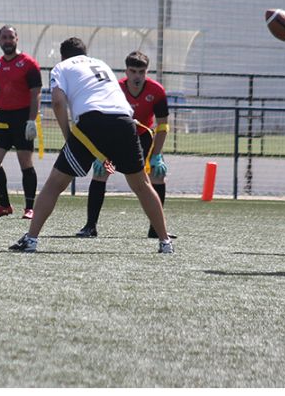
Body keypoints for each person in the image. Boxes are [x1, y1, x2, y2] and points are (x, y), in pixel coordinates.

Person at [9, 37, 173, 253]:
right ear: (85, 53)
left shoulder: (61, 67)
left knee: (55, 184)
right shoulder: (101, 63)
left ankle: (31, 239)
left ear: (63, 55)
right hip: (125, 122)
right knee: (142, 185)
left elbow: (58, 102)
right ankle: (165, 242)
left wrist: (68, 136)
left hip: (92, 121)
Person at [77, 50, 172, 239]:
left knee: (157, 175)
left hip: (142, 140)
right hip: (115, 139)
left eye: (141, 71)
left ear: (147, 72)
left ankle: (155, 229)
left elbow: (163, 125)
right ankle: (90, 226)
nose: (137, 76)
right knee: (102, 171)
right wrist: (100, 154)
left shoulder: (157, 91)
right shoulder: (114, 88)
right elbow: (102, 119)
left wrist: (156, 156)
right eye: (133, 71)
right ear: (126, 71)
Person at [0, 25, 42, 219]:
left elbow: (36, 94)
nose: (8, 40)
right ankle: (4, 205)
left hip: (23, 119)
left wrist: (31, 121)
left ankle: (30, 208)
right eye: (4, 37)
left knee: (25, 163)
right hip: (3, 120)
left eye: (11, 37)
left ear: (17, 39)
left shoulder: (29, 63)